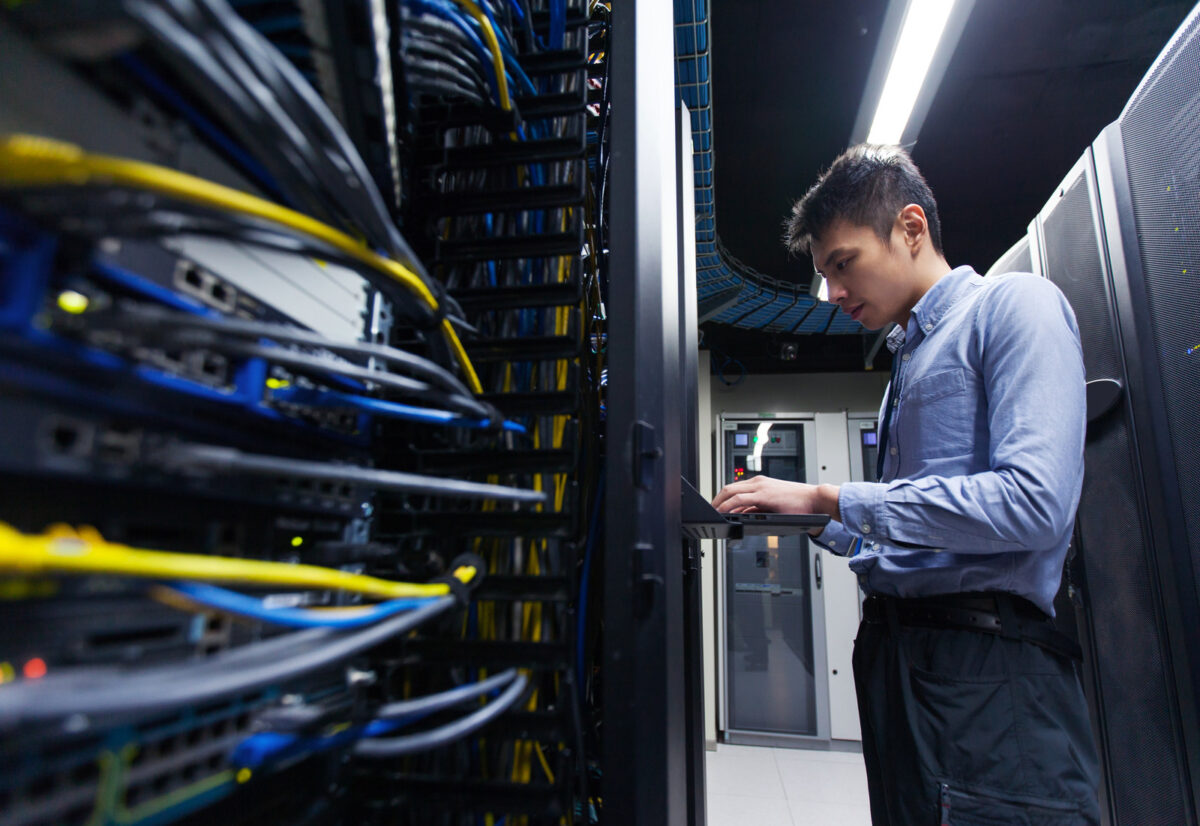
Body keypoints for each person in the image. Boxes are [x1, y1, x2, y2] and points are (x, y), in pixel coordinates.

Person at [712, 144, 1101, 824]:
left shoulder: (1012, 308)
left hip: (987, 667)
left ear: (911, 229)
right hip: (905, 660)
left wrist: (826, 497)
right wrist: (806, 518)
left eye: (842, 264)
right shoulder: (908, 361)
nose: (832, 293)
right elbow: (923, 540)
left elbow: (1033, 504)